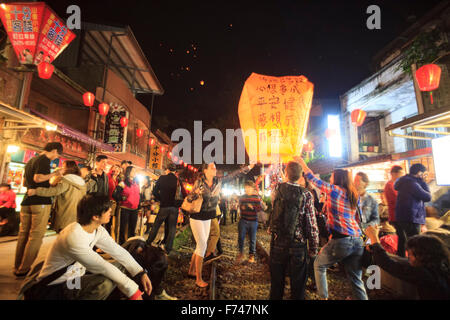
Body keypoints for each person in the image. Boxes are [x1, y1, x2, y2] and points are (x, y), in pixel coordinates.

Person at [18, 195, 151, 300]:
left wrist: (140, 273)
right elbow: (102, 266)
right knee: (105, 283)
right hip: (60, 284)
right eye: (107, 209)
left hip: (76, 273)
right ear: (95, 216)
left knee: (121, 266)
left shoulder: (97, 229)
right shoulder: (73, 236)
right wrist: (134, 292)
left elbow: (117, 251)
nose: (111, 210)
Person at [296, 157, 368, 300]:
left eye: (332, 177)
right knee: (356, 278)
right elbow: (358, 218)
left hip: (342, 240)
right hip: (358, 240)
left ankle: (324, 297)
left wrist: (302, 163)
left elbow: (312, 178)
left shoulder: (335, 190)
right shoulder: (354, 194)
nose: (330, 179)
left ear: (338, 179)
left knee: (319, 265)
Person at [186, 162, 253, 287]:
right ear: (205, 170)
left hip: (208, 217)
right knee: (202, 245)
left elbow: (233, 175)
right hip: (196, 217)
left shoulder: (218, 182)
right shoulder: (199, 182)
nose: (215, 169)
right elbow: (190, 199)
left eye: (215, 167)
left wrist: (248, 168)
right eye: (212, 168)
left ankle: (191, 271)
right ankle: (198, 279)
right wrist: (196, 193)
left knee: (202, 244)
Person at [269, 161, 319, 300]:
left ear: (286, 174)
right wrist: (313, 247)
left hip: (278, 242)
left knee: (276, 285)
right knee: (298, 286)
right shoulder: (307, 195)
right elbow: (311, 224)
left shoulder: (276, 190)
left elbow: (274, 210)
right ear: (301, 176)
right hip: (298, 244)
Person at [14, 142, 63, 277]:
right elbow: (38, 177)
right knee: (35, 237)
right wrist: (55, 173)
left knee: (23, 235)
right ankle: (24, 269)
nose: (56, 157)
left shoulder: (31, 160)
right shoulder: (44, 160)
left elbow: (25, 182)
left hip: (26, 202)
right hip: (40, 202)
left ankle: (17, 266)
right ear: (53, 150)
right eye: (58, 154)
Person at [365, 225, 450, 300]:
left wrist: (374, 238)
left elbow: (388, 264)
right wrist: (374, 247)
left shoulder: (424, 274)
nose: (409, 258)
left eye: (410, 254)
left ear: (421, 255)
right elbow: (400, 261)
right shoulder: (441, 265)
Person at [27, 161, 86, 233]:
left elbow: (54, 191)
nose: (61, 168)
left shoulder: (66, 180)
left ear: (68, 169)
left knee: (63, 236)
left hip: (65, 214)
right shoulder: (82, 182)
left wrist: (36, 191)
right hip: (76, 215)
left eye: (63, 167)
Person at [146, 164, 185, 254]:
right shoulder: (178, 180)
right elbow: (184, 193)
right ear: (174, 171)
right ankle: (168, 249)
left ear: (167, 170)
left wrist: (161, 198)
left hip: (164, 206)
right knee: (172, 228)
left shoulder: (162, 178)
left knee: (156, 225)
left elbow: (155, 191)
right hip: (174, 207)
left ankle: (148, 242)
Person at [395, 163, 432, 257]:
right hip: (411, 217)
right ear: (419, 173)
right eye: (424, 173)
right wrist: (423, 181)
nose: (424, 176)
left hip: (403, 217)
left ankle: (405, 262)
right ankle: (413, 264)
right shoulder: (411, 183)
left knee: (405, 242)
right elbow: (427, 197)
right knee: (414, 243)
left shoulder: (405, 181)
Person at [236, 180, 265, 264]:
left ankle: (251, 255)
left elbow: (259, 209)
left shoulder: (256, 198)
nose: (247, 189)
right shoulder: (242, 197)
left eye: (249, 188)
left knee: (252, 238)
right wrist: (243, 207)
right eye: (246, 188)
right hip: (243, 220)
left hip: (253, 221)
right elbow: (240, 207)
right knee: (241, 237)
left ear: (252, 189)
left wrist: (253, 208)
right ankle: (241, 253)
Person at [115, 166, 141, 245]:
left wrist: (139, 205)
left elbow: (138, 195)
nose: (134, 173)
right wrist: (122, 198)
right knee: (122, 228)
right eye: (133, 171)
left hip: (134, 209)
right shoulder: (122, 183)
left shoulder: (136, 184)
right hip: (125, 208)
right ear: (128, 172)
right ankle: (121, 244)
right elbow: (115, 194)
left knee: (132, 229)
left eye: (135, 171)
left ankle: (131, 245)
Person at [384, 165, 405, 230]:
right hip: (396, 217)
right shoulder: (390, 186)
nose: (402, 176)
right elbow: (398, 201)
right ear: (393, 174)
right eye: (400, 173)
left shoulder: (397, 185)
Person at [105, 164, 121, 235]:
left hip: (115, 202)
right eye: (115, 168)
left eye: (118, 169)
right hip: (109, 201)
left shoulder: (118, 180)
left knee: (111, 221)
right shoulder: (108, 177)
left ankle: (109, 235)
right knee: (107, 221)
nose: (117, 170)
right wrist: (111, 172)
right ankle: (106, 235)